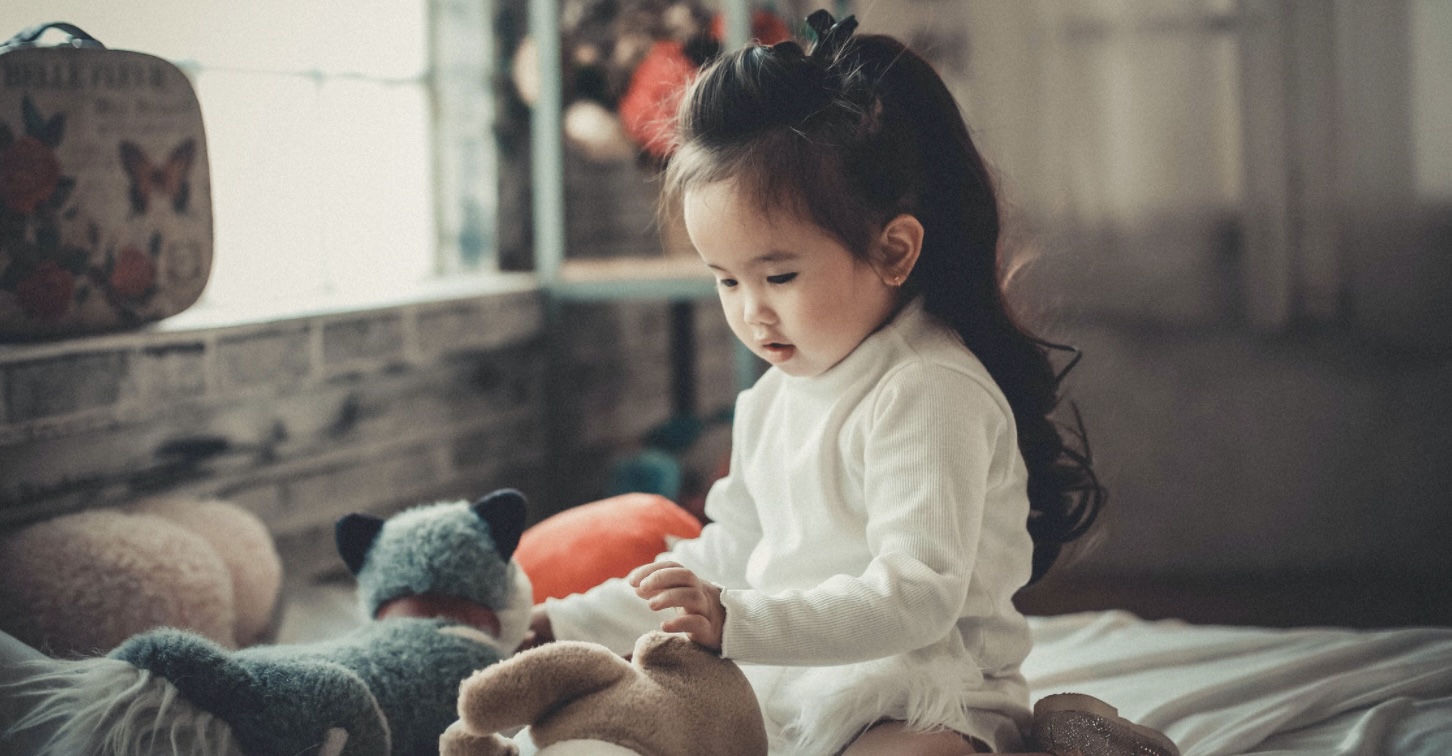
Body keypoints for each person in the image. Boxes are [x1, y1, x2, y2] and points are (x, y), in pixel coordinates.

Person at [528, 10, 1179, 756]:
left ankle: (1066, 736)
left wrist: (737, 621)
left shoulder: (930, 389)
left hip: (927, 697)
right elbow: (725, 551)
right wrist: (564, 622)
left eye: (778, 275)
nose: (751, 311)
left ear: (894, 250)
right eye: (726, 281)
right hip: (785, 687)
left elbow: (919, 597)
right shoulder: (773, 395)